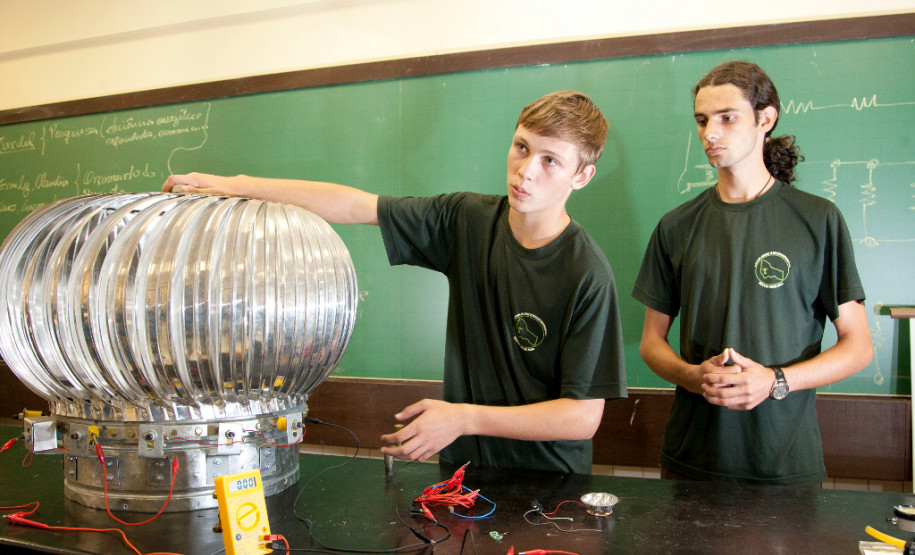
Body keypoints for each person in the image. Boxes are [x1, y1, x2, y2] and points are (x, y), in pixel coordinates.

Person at [163, 90, 627, 474]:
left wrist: (463, 418)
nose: (526, 171)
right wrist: (234, 185)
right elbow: (355, 205)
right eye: (522, 147)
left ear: (582, 176)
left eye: (550, 160)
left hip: (548, 486)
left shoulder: (586, 273)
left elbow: (582, 417)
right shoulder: (467, 220)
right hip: (465, 473)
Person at [632, 61, 872, 485]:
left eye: (727, 118)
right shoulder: (676, 226)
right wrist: (693, 376)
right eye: (702, 120)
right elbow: (651, 342)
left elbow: (858, 346)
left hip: (785, 464)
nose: (710, 133)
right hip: (691, 461)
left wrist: (775, 381)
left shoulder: (818, 220)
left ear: (765, 119)